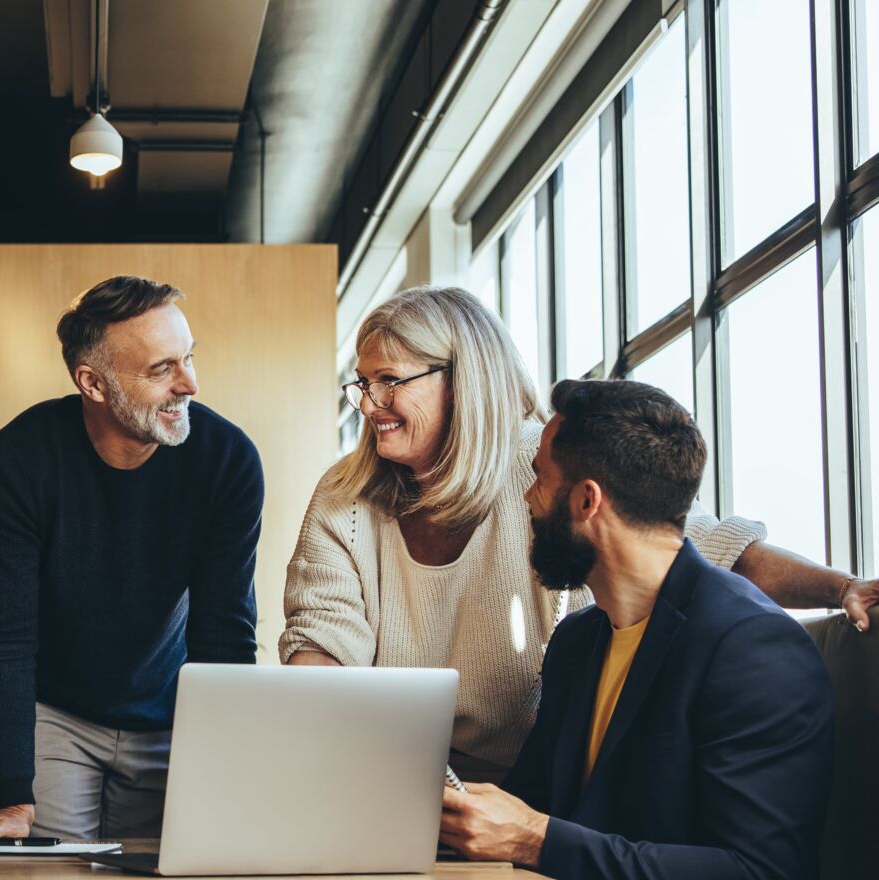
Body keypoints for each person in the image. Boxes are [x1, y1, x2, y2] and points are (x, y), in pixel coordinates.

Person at [281, 285, 876, 784]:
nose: (369, 403)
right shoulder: (347, 497)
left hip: (538, 788)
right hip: (394, 776)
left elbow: (699, 549)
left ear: (462, 381)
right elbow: (321, 648)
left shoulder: (542, 467)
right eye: (361, 383)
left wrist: (842, 586)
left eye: (388, 380)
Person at [439, 378, 833, 879]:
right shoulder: (577, 642)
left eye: (539, 476)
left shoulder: (757, 648)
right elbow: (527, 806)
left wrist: (537, 841)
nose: (527, 497)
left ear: (587, 501)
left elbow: (760, 871)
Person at [0, 276, 265, 841]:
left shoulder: (228, 461)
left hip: (174, 712)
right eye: (161, 370)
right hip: (57, 714)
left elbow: (224, 632)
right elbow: (2, 637)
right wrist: (13, 795)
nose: (190, 384)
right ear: (93, 383)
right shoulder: (18, 460)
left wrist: (224, 772)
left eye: (188, 359)